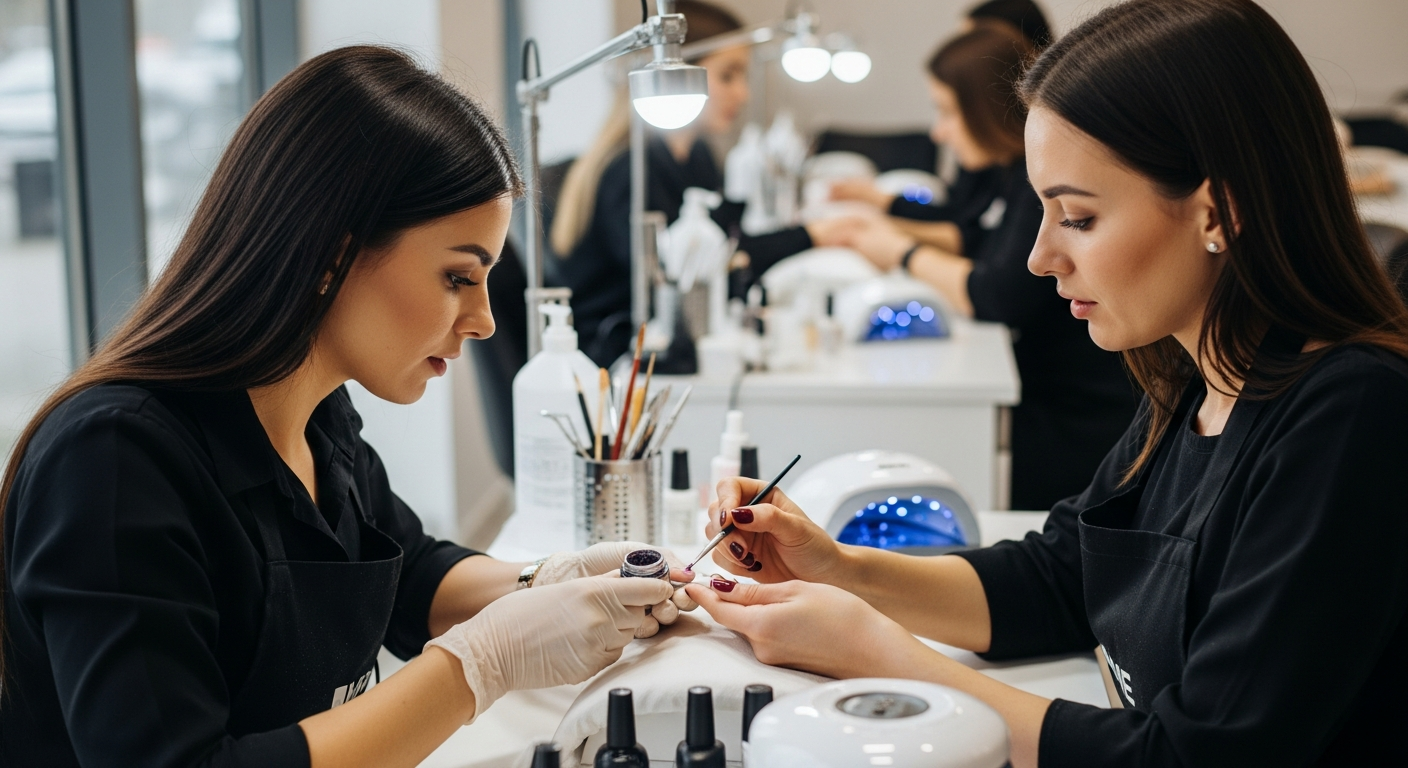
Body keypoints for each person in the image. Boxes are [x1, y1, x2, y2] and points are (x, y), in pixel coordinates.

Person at [684, 1, 1408, 765]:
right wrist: (838, 568)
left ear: (1218, 210)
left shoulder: (1352, 415)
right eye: (1042, 211)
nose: (1039, 257)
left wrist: (876, 655)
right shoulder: (1194, 378)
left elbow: (1199, 756)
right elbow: (1067, 579)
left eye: (1079, 218)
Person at [0, 47, 694, 768]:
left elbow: (410, 575)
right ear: (332, 255)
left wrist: (553, 581)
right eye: (459, 276)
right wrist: (478, 665)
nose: (484, 321)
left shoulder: (318, 416)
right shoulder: (113, 460)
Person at [829, 23, 1138, 510]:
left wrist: (901, 253)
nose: (938, 130)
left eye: (947, 110)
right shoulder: (1009, 174)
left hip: (1076, 414)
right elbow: (972, 232)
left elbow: (997, 291)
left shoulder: (1032, 179)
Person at [548, 0, 843, 367]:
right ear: (676, 71)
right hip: (617, 364)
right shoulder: (631, 171)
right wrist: (810, 235)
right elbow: (691, 272)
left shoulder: (698, 155)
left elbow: (725, 244)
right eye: (727, 76)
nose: (743, 95)